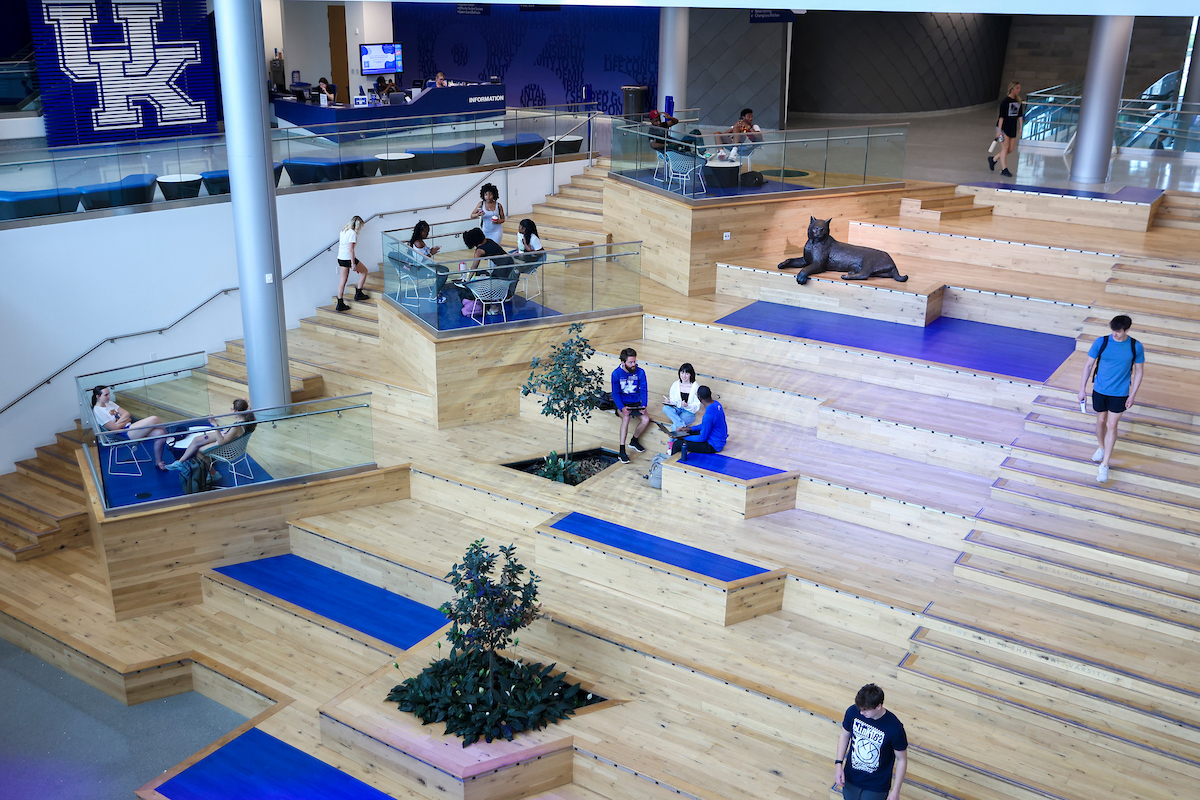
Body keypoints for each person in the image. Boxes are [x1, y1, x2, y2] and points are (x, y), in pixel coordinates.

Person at [1078, 315, 1145, 484]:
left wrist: (1133, 394)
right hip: (1100, 390)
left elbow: (1139, 372)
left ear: (1127, 330)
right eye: (1113, 330)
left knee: (1112, 425)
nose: (1114, 334)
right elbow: (1088, 365)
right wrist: (1082, 389)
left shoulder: (1135, 346)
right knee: (1100, 421)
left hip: (1120, 392)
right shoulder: (1102, 342)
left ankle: (1105, 464)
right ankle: (1101, 447)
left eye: (1118, 331)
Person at [835, 683, 908, 800]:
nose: (861, 713)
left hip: (876, 786)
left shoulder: (894, 728)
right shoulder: (853, 711)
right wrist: (838, 764)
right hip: (851, 778)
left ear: (878, 706)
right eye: (860, 709)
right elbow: (844, 735)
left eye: (865, 710)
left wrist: (896, 791)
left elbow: (902, 759)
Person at [167, 399, 257, 481]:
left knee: (199, 451)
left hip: (227, 447)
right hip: (232, 440)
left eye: (232, 409)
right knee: (197, 440)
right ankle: (179, 462)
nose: (231, 411)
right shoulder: (248, 420)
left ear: (236, 411)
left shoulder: (236, 427)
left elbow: (221, 442)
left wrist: (216, 425)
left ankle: (213, 473)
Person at [90, 385, 170, 471]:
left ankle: (158, 462)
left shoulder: (109, 403)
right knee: (154, 419)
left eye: (109, 394)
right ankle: (171, 438)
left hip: (129, 427)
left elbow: (127, 414)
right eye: (106, 395)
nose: (109, 396)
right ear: (98, 397)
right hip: (123, 434)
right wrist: (125, 420)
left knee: (160, 433)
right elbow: (115, 428)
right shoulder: (97, 411)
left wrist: (120, 422)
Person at [612, 347, 654, 464]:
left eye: (634, 361)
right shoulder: (616, 374)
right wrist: (621, 407)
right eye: (630, 362)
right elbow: (615, 394)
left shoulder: (640, 372)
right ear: (623, 362)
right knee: (626, 417)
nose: (633, 364)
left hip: (635, 402)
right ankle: (622, 451)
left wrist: (644, 405)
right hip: (622, 402)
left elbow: (644, 390)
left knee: (646, 419)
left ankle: (634, 440)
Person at [667, 385, 726, 462]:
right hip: (717, 439)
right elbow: (707, 425)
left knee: (677, 444)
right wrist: (690, 429)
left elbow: (702, 438)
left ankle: (672, 464)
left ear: (699, 397)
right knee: (687, 433)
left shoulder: (708, 415)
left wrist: (683, 438)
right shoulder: (717, 404)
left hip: (712, 445)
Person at [335, 215, 370, 312]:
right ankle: (359, 293)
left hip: (340, 257)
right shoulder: (352, 233)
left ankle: (340, 303)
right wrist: (353, 264)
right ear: (358, 225)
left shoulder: (343, 230)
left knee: (342, 281)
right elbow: (351, 250)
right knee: (364, 271)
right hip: (348, 258)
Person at [988, 82, 1023, 178]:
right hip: (1003, 128)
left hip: (1012, 127)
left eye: (1019, 88)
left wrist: (1021, 128)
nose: (1019, 90)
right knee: (1005, 148)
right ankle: (1004, 169)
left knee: (1010, 149)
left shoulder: (1018, 101)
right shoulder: (1005, 102)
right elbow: (1001, 117)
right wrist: (999, 130)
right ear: (1012, 89)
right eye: (1017, 88)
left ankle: (993, 159)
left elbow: (1020, 116)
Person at [660, 363, 701, 430]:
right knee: (665, 408)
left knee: (674, 427)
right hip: (678, 409)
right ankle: (680, 424)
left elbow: (696, 406)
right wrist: (670, 401)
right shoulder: (675, 384)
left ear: (691, 374)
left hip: (689, 412)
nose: (684, 376)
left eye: (687, 374)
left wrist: (687, 406)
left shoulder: (695, 387)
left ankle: (672, 440)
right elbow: (674, 401)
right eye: (682, 373)